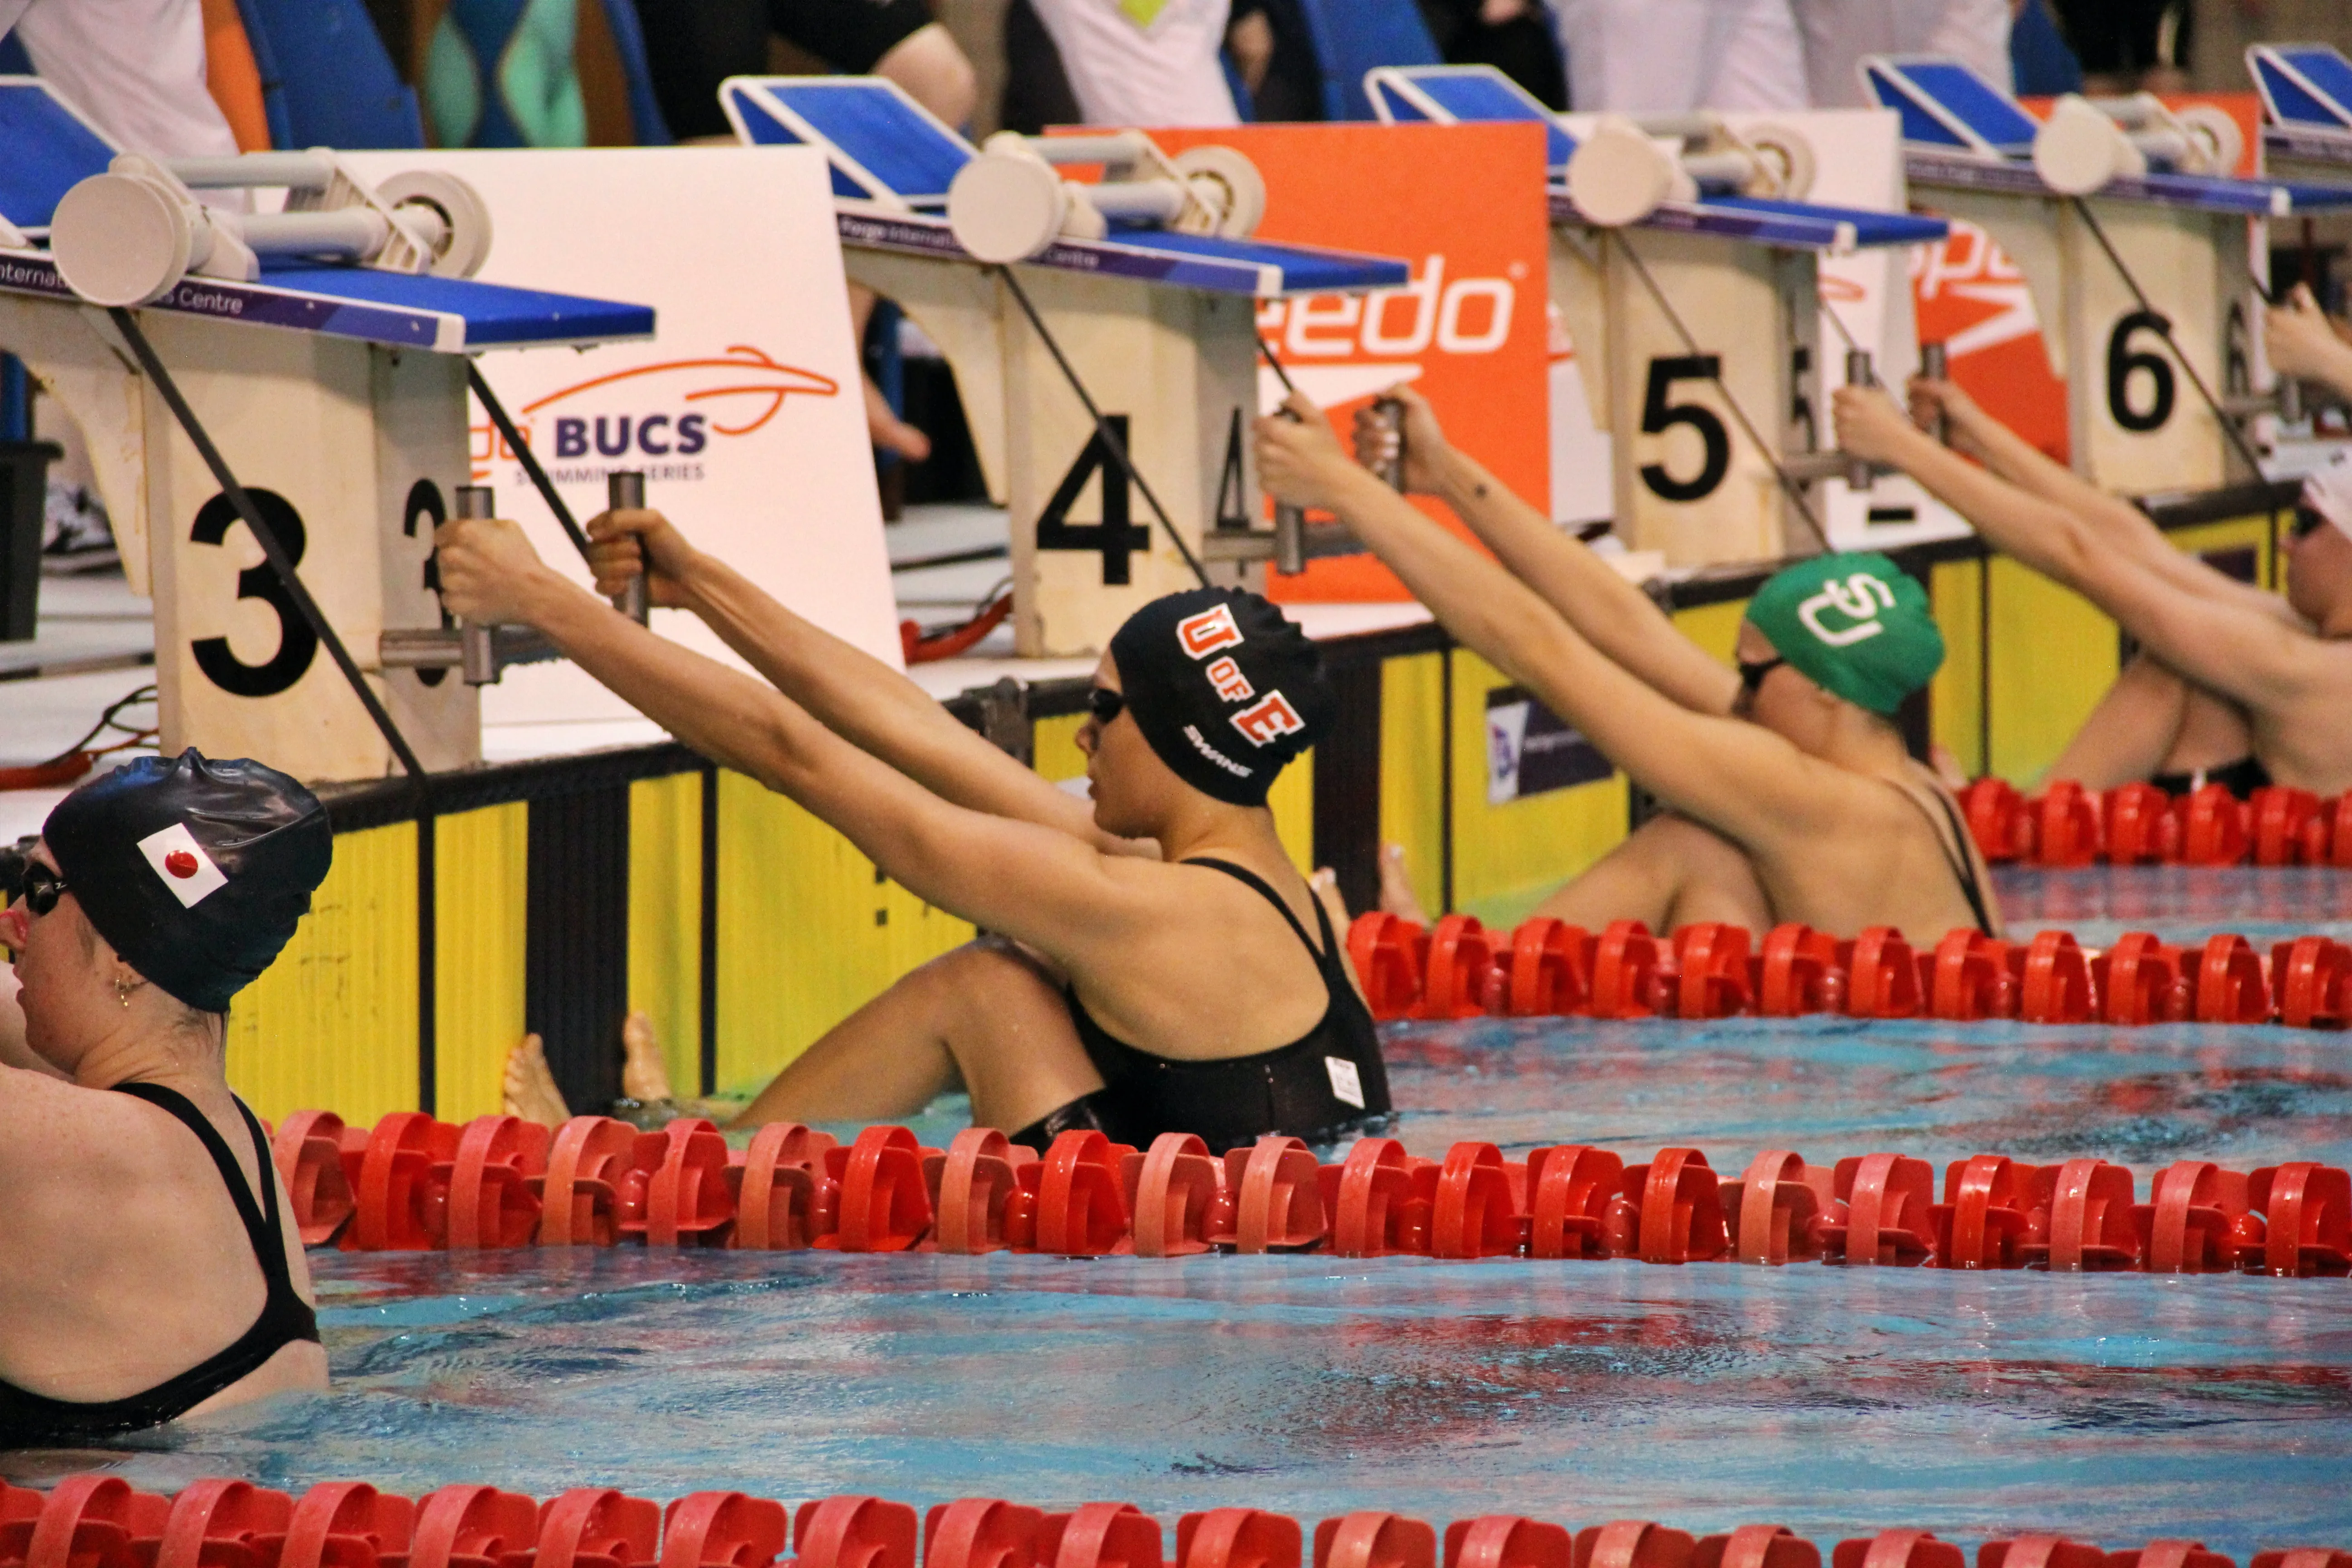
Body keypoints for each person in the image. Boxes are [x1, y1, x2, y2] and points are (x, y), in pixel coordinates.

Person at [436, 504, 1390, 1155]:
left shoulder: (1146, 910)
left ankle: (669, 1181)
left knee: (984, 987)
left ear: (1179, 738)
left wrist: (541, 600)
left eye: (1106, 708)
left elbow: (791, 754)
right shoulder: (1255, 892)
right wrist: (700, 585)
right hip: (1231, 1302)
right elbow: (918, 735)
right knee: (1004, 980)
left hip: (1177, 1341)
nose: (1082, 735)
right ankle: (696, 1136)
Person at [1254, 386, 2002, 946]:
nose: (1732, 693)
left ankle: (1444, 982)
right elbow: (1628, 628)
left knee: (1687, 840)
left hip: (1897, 1143)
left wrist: (1342, 490)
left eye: (1749, 674)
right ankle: (1464, 971)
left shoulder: (1813, 800)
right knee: (1708, 857)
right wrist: (1447, 475)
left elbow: (1539, 652)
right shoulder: (1903, 786)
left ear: (1821, 687)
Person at [1831, 323, 2352, 799]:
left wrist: (1904, 450)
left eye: (2305, 527)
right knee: (2191, 678)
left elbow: (2079, 555)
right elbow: (2134, 543)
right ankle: (2016, 822)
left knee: (2178, 666)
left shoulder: (2305, 670)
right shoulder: (2301, 642)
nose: (2284, 544)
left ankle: (2008, 830)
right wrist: (1977, 436)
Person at [0, 751, 333, 1447]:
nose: (8, 924)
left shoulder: (78, 1152)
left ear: (127, 954)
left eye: (37, 893)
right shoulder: (220, 1125)